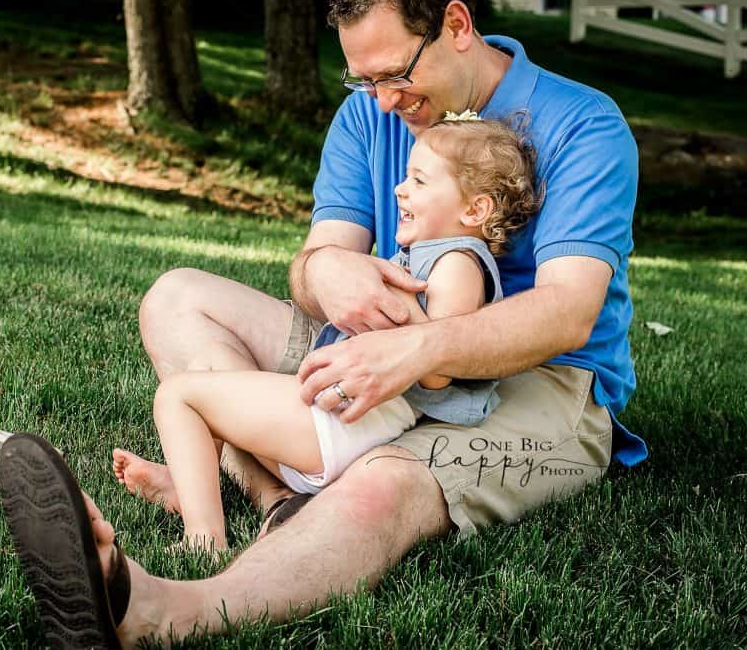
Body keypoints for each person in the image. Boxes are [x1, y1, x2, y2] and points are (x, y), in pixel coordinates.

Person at [0, 0, 650, 647]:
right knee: (177, 299)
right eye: (363, 80)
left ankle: (162, 613)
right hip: (373, 340)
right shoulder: (370, 111)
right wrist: (326, 271)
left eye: (396, 74)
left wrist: (417, 349)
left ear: (457, 26)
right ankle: (279, 500)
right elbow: (312, 266)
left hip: (541, 380)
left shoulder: (584, 123)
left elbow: (567, 312)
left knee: (379, 485)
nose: (383, 99)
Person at [111, 115, 541, 553]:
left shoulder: (458, 264)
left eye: (419, 181)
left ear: (475, 209)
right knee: (208, 376)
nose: (400, 189)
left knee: (179, 396)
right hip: (336, 421)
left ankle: (204, 540)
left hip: (342, 432)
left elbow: (437, 372)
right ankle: (188, 483)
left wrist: (400, 302)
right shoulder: (430, 254)